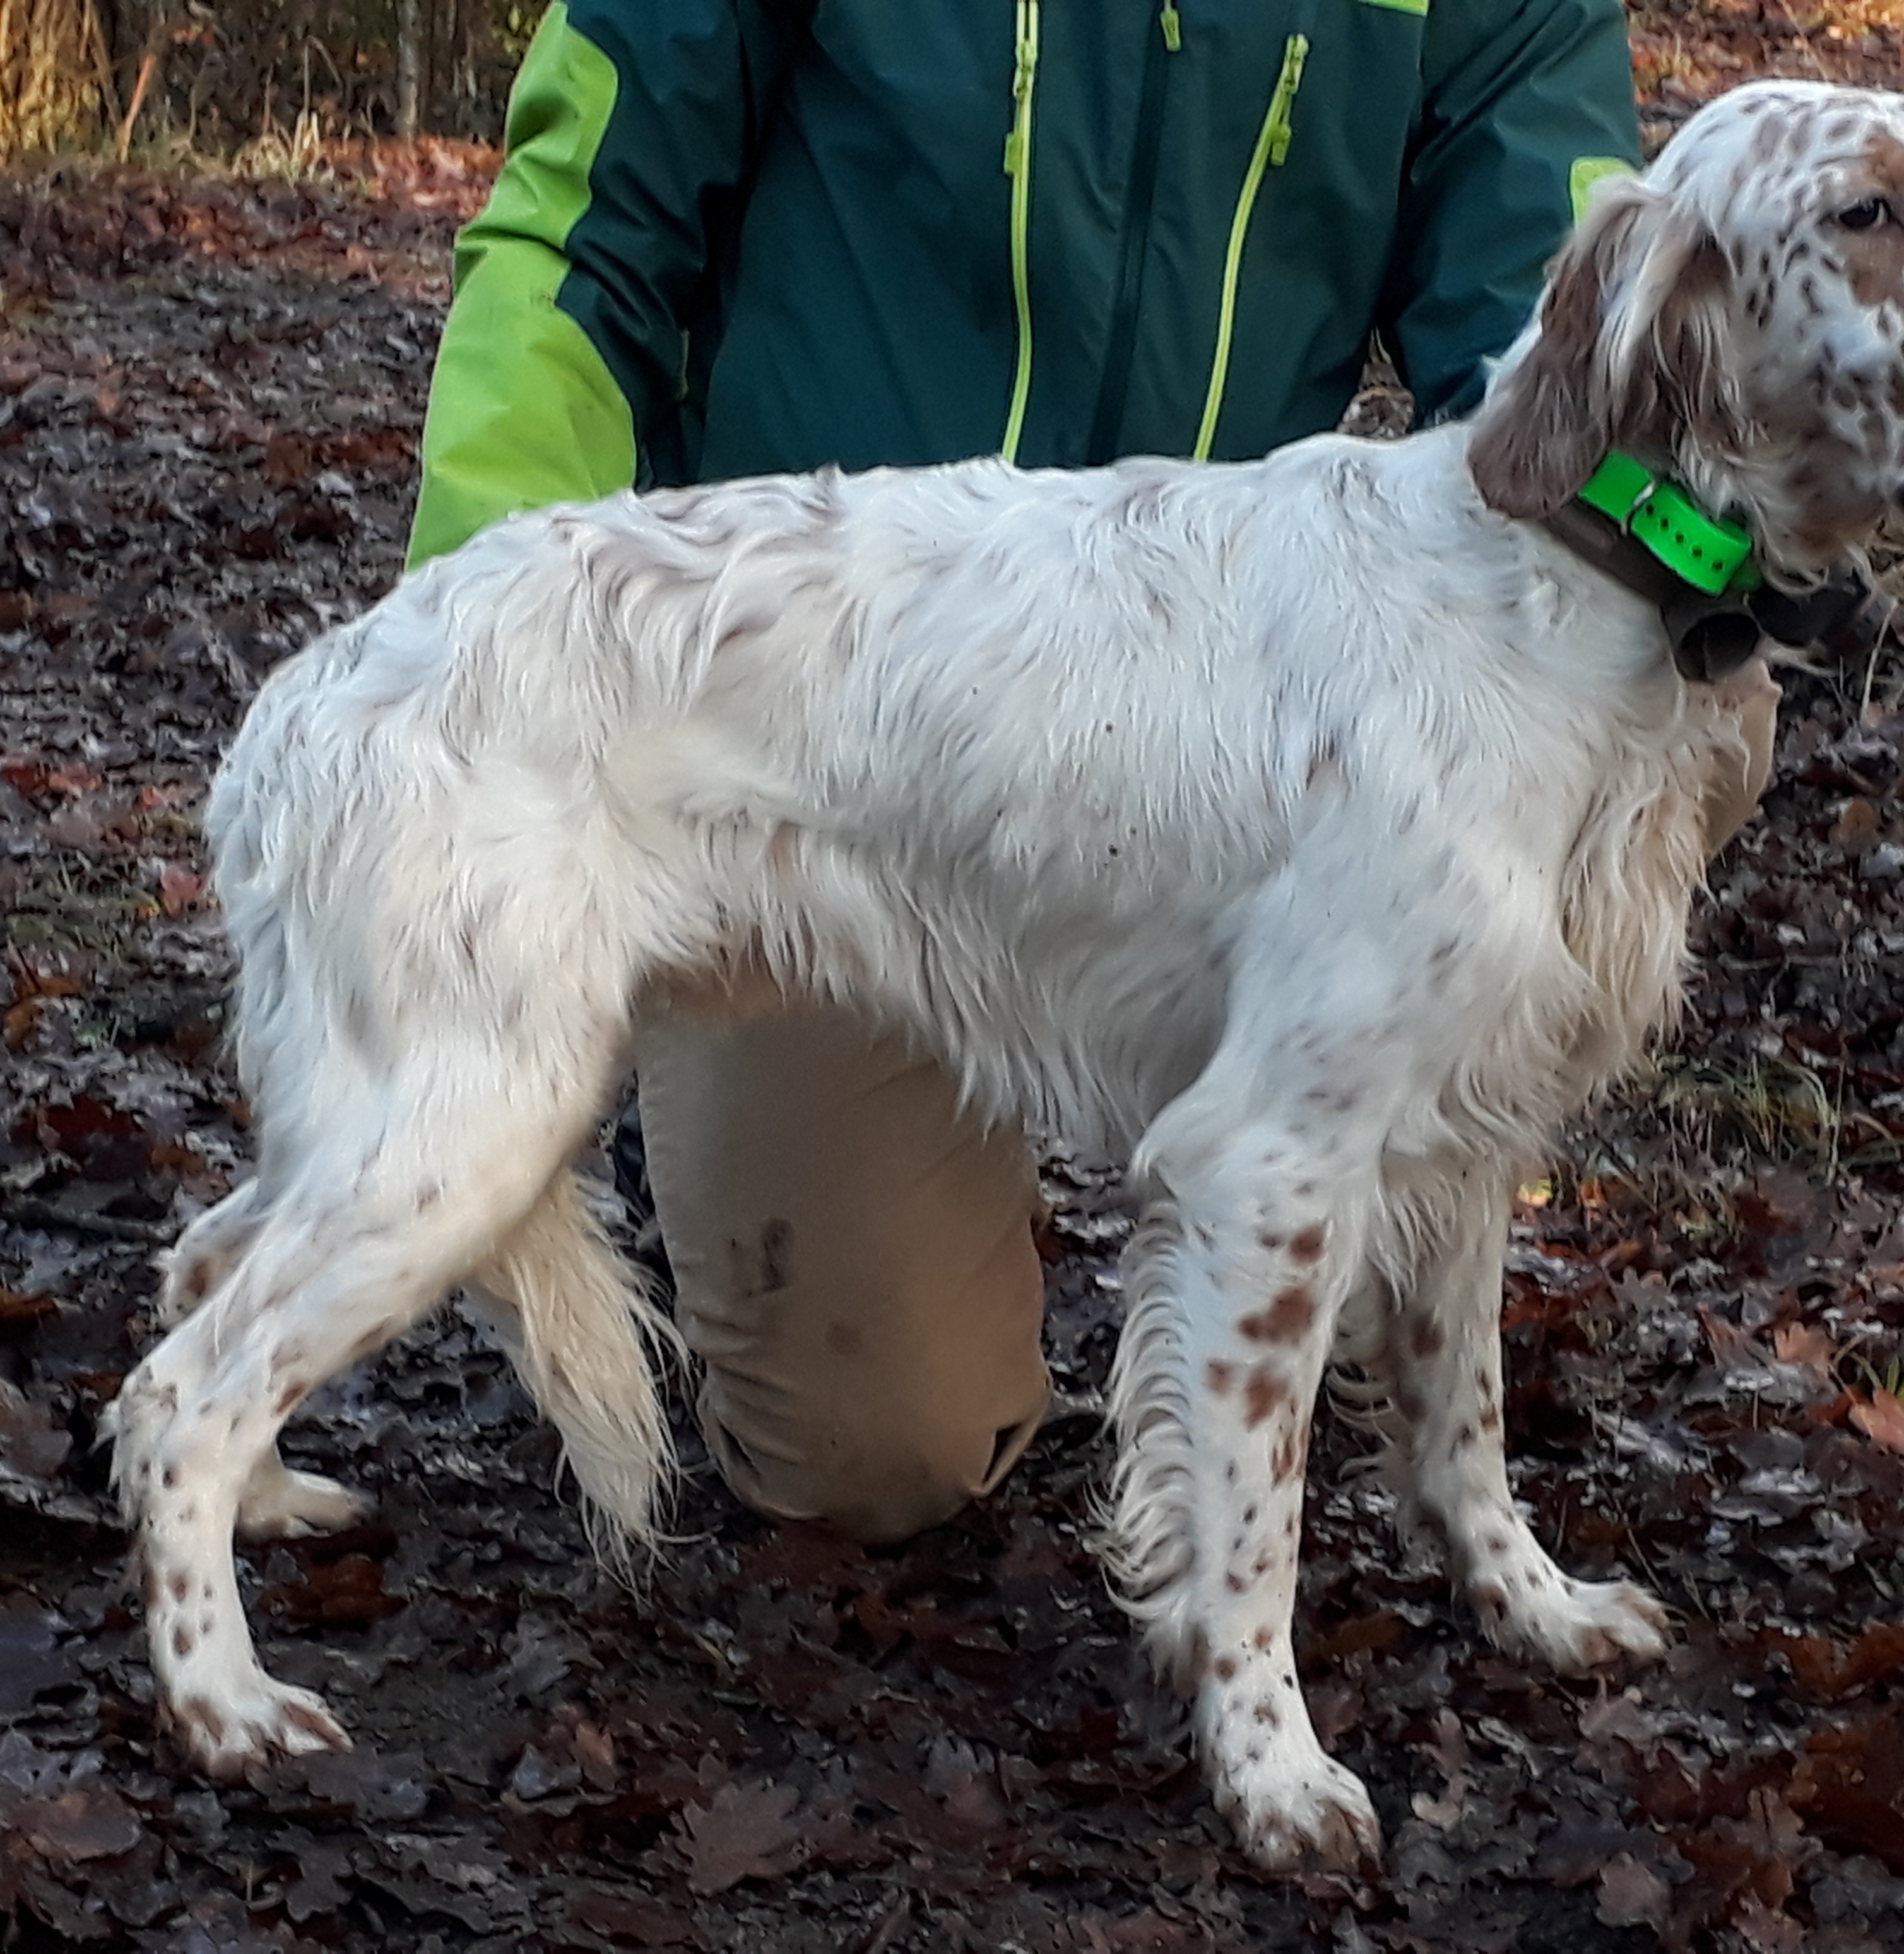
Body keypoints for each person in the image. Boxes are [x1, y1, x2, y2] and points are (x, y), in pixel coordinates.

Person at [405, 0, 1737, 1546]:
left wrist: (1706, 560)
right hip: (814, 750)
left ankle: (1340, 1204)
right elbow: (583, 232)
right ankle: (689, 1049)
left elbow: (1546, 352)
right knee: (876, 1460)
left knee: (1697, 687)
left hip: (1215, 745)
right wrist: (475, 644)